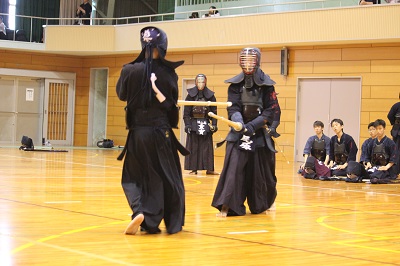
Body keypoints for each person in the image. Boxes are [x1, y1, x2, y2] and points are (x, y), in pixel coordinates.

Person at [116, 26, 188, 235]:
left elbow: (122, 95)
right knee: (168, 177)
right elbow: (172, 103)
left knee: (133, 176)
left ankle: (141, 212)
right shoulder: (168, 73)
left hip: (137, 134)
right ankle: (171, 222)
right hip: (161, 134)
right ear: (163, 45)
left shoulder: (129, 70)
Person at [211, 47, 280, 217]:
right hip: (238, 132)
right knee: (234, 168)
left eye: (251, 60)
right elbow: (232, 106)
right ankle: (229, 204)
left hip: (259, 134)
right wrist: (239, 122)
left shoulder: (267, 85)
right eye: (245, 60)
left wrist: (253, 126)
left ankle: (263, 202)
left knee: (263, 171)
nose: (248, 64)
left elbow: (270, 110)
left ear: (257, 61)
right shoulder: (235, 85)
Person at [183, 74, 219, 175]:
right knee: (193, 146)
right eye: (198, 81)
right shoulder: (190, 96)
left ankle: (209, 169)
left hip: (206, 122)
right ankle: (193, 168)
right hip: (194, 123)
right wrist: (188, 125)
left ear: (205, 82)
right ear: (195, 82)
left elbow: (214, 112)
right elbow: (186, 113)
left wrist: (214, 124)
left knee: (206, 147)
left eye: (202, 81)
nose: (200, 84)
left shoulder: (211, 96)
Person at [387, 96, 400, 175]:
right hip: (397, 131)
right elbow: (389, 116)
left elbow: (390, 116)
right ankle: (394, 171)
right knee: (396, 152)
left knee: (397, 151)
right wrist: (395, 124)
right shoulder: (396, 106)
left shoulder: (396, 105)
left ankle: (395, 172)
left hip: (397, 129)